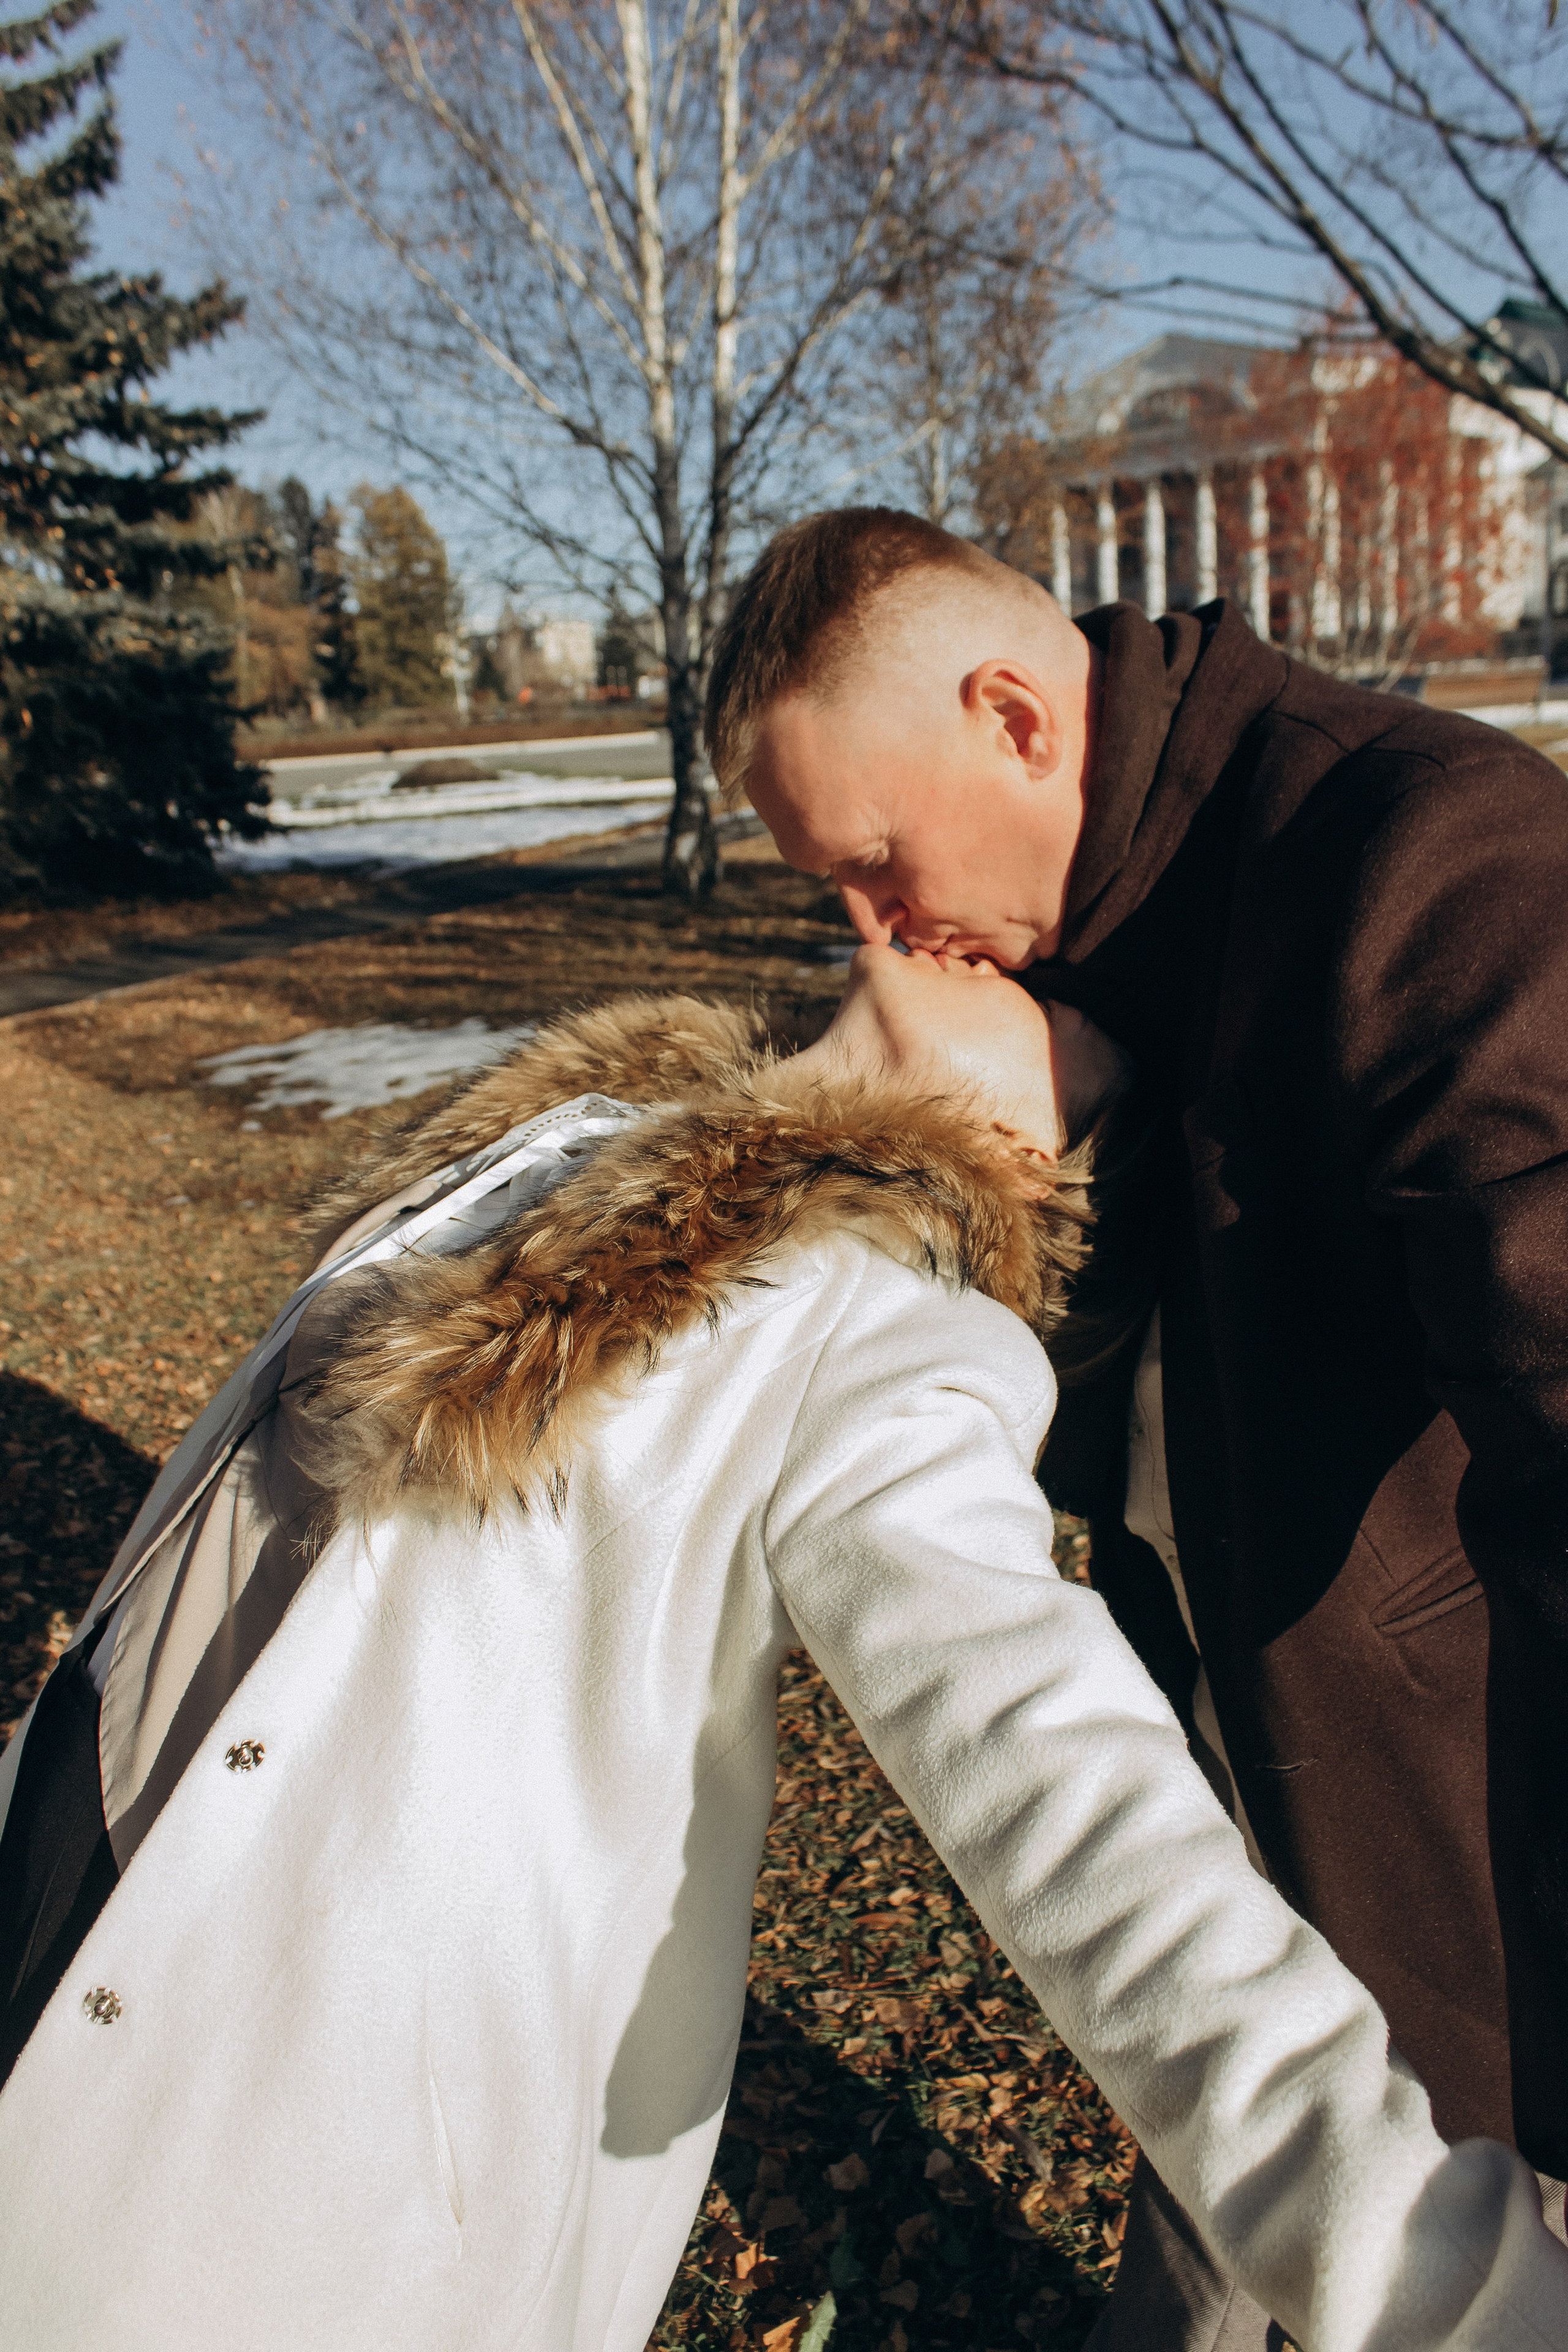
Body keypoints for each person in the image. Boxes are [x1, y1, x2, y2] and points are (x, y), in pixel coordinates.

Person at [1, 952, 1562, 2348]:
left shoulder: (886, 1334)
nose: (970, 935)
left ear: (1039, 1151)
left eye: (1047, 988)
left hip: (265, 2139)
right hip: (58, 1876)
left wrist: (1456, 2290)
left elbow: (1082, 1814)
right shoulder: (579, 1140)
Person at [709, 502, 1568, 2348]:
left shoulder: (1432, 853)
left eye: (874, 862)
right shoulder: (1044, 943)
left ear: (1019, 718)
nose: (877, 938)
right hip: (1192, 1770)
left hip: (1445, 1836)